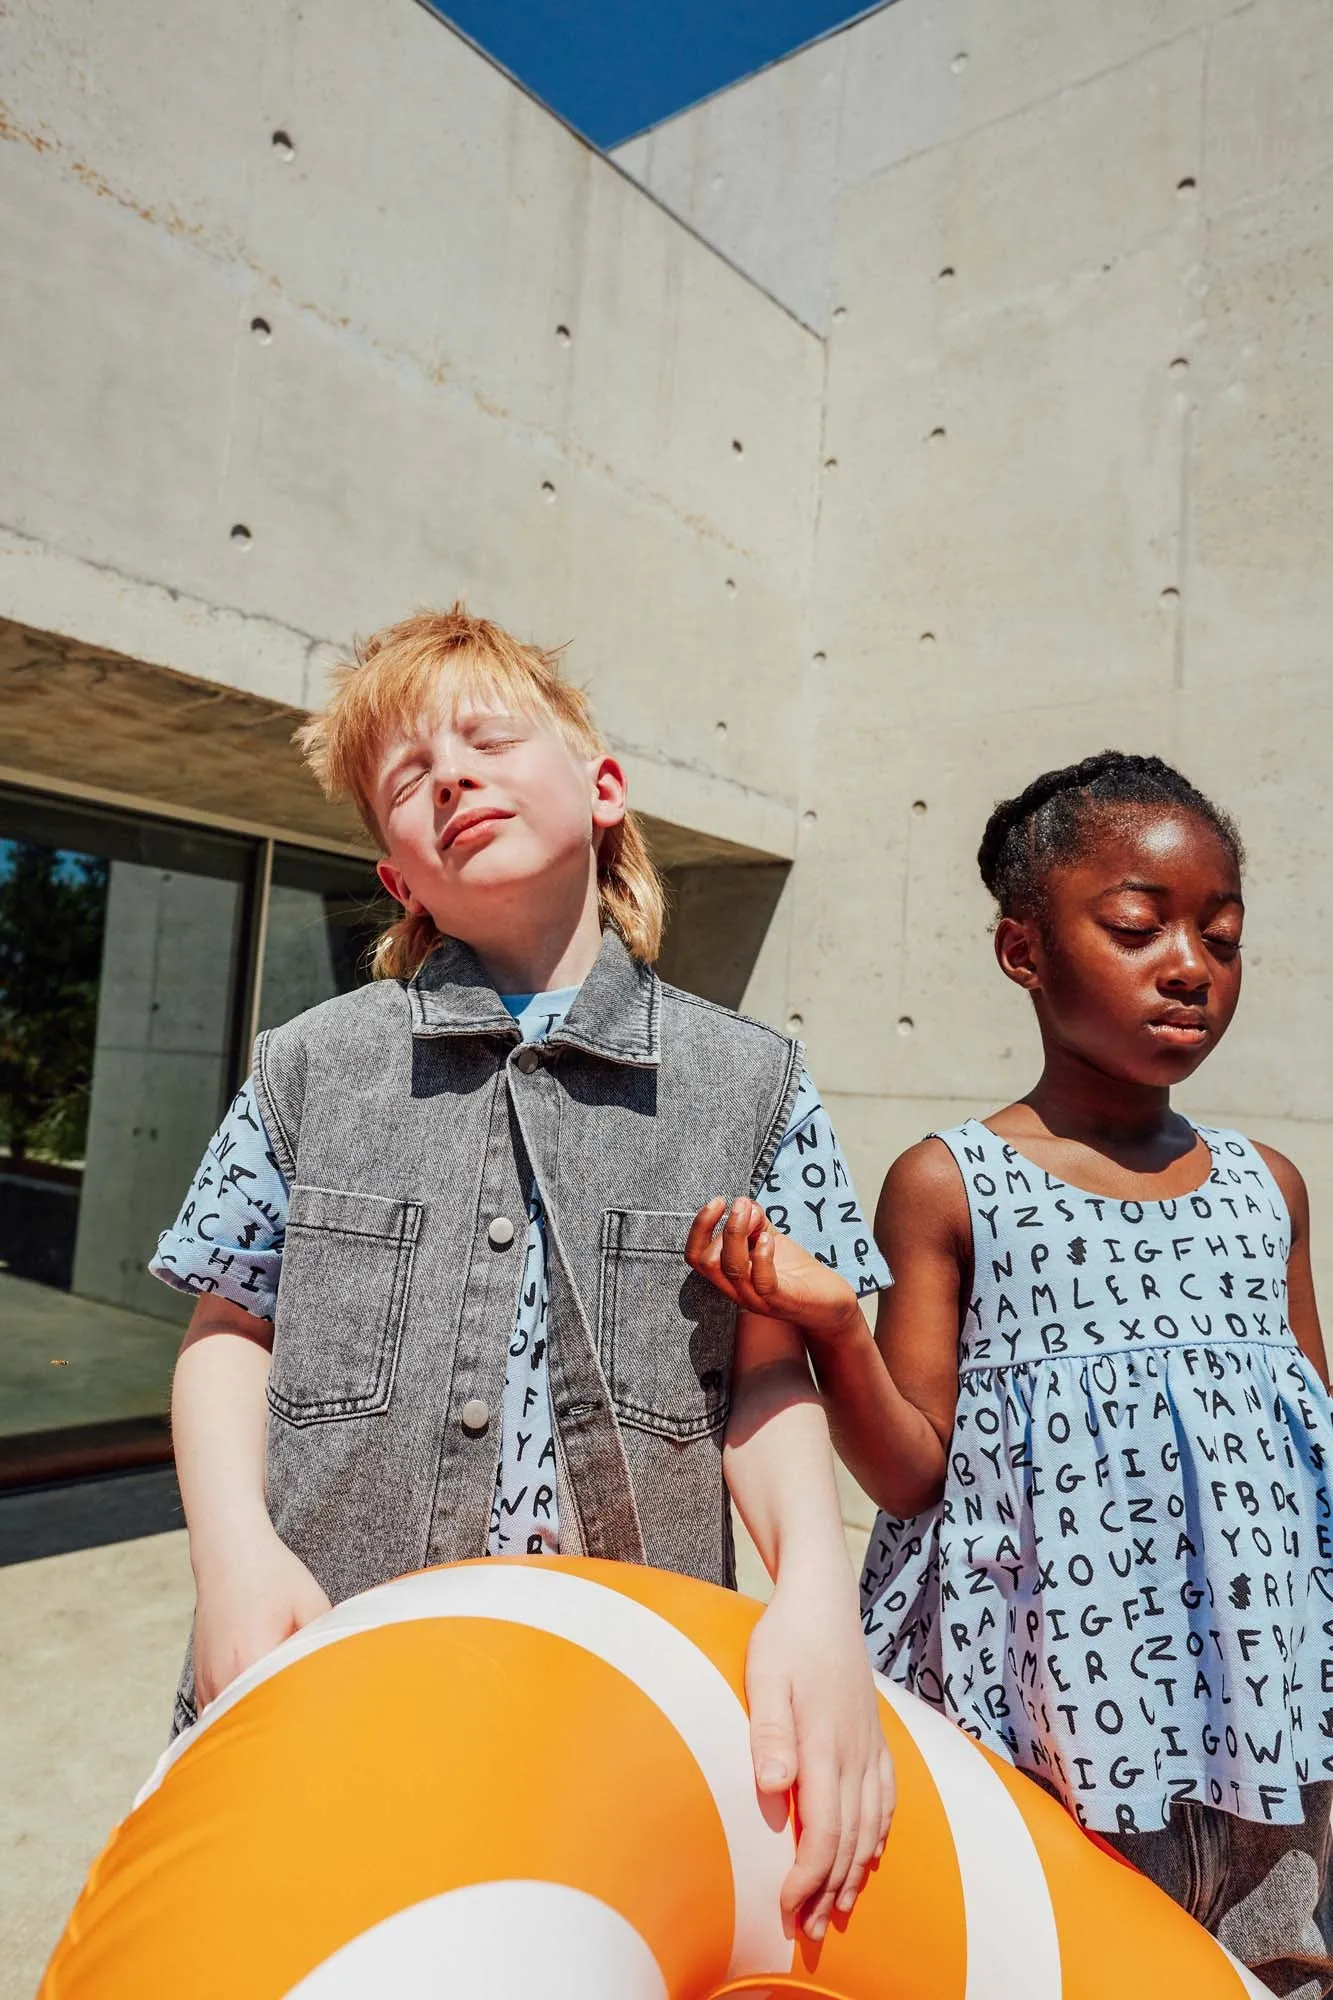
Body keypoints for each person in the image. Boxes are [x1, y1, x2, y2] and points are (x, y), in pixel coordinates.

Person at [152, 604, 894, 1942]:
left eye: (487, 740)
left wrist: (814, 1607)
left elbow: (764, 1384)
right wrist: (232, 1558)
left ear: (603, 791)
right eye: (408, 780)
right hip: (326, 1662)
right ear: (399, 879)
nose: (450, 777)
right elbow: (227, 1327)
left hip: (620, 1699)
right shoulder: (308, 1064)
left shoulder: (753, 1085)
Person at [686, 751, 1333, 1993]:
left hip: (1271, 1751)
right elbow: (913, 1470)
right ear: (1023, 951)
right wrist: (833, 1327)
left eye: (1223, 935)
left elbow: (1306, 1465)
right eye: (1139, 928)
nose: (1190, 965)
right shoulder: (950, 1184)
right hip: (1056, 1739)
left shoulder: (1271, 1188)